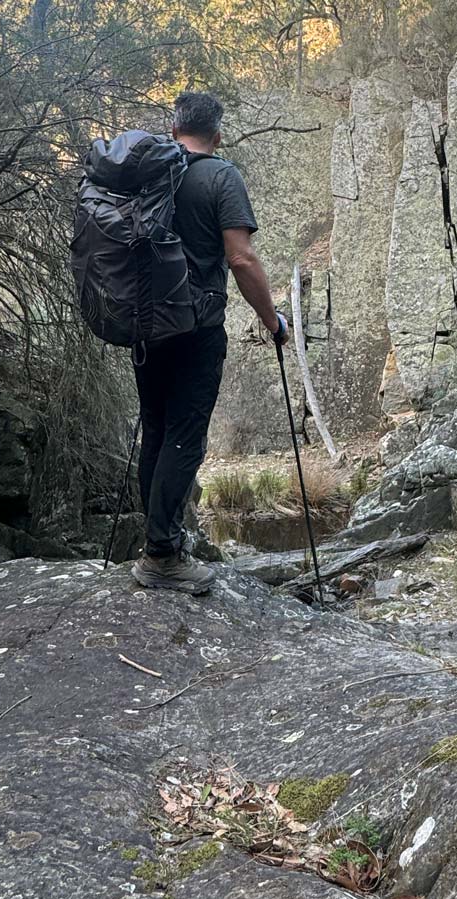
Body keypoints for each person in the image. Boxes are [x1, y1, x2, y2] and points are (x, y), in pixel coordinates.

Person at [130, 91, 288, 595]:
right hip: (195, 330)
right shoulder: (221, 176)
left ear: (173, 128)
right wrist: (273, 322)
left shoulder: (150, 173)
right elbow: (241, 259)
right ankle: (161, 556)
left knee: (155, 429)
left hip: (146, 326)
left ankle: (157, 543)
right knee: (185, 435)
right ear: (217, 133)